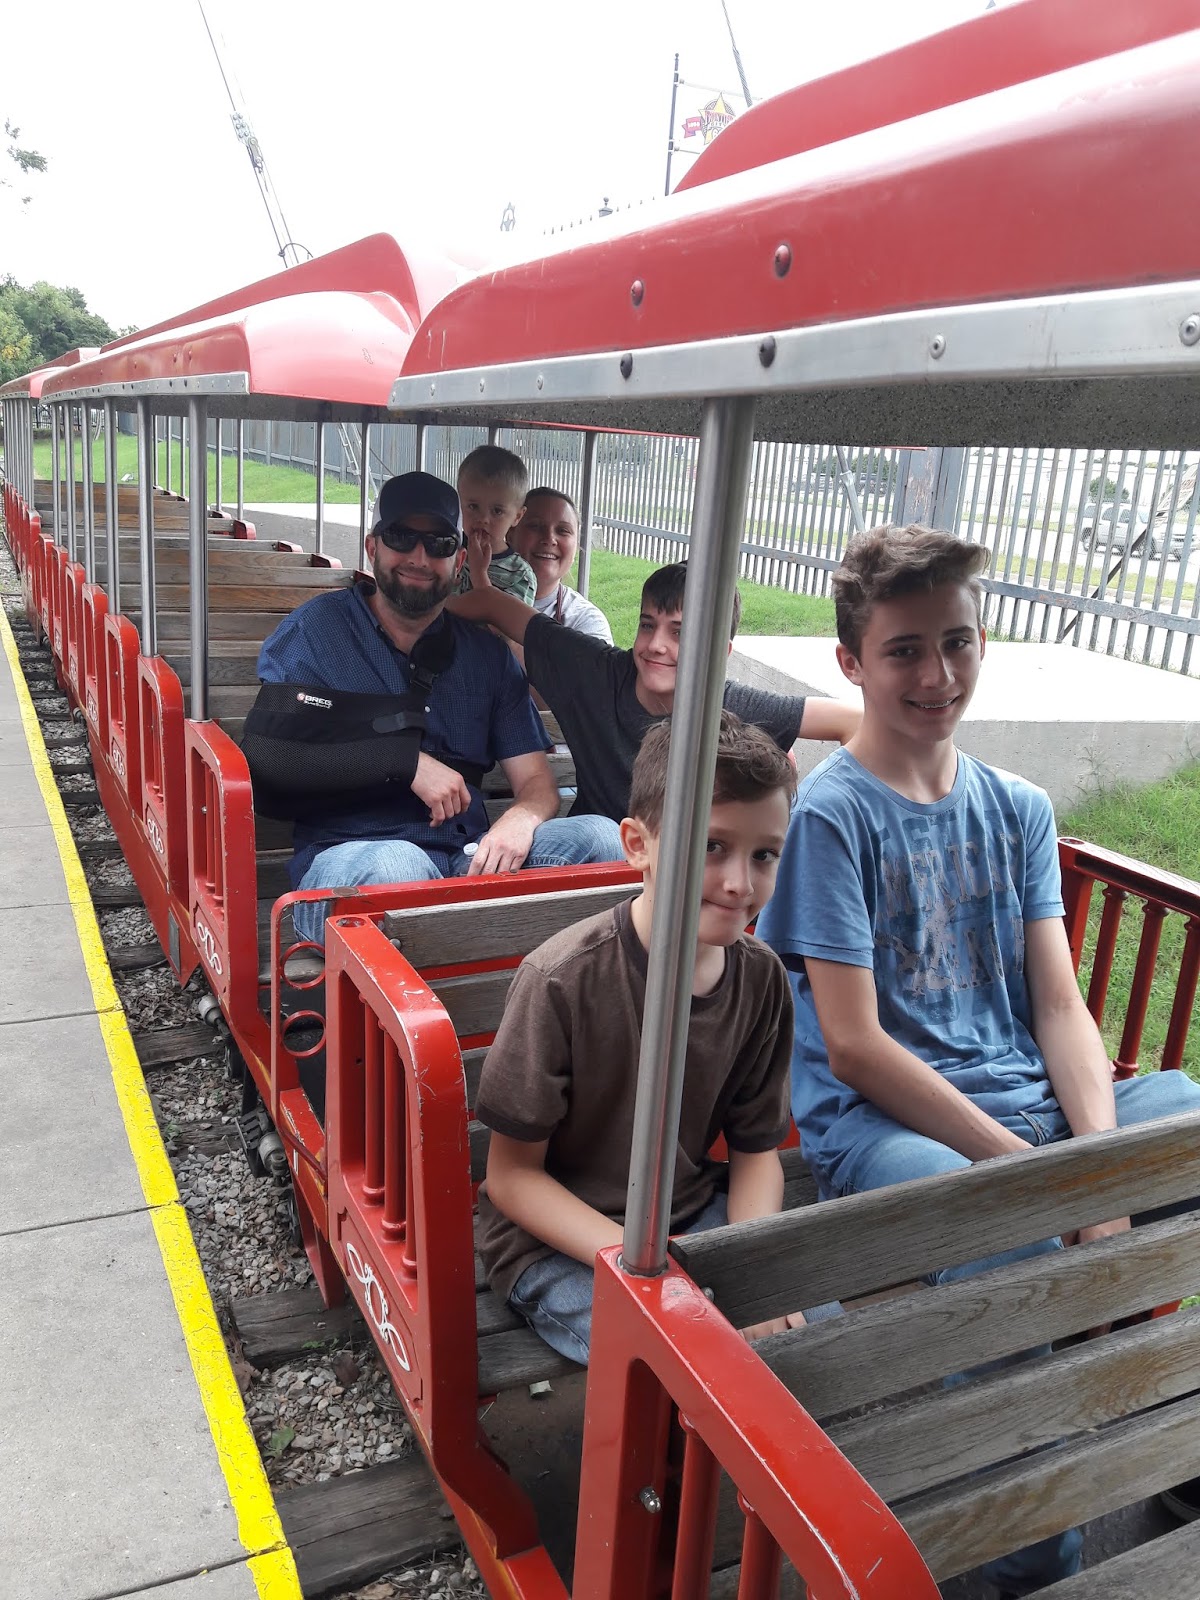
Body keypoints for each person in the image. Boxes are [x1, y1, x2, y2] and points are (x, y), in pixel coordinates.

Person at [755, 523, 1200, 1595]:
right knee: (1000, 1231)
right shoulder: (833, 818)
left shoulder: (1018, 806)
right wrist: (1037, 1180)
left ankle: (1179, 1444)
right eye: (904, 650)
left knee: (1186, 1115)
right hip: (888, 1133)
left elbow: (1059, 1005)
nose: (937, 675)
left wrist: (1092, 1165)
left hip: (1029, 1115)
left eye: (956, 642)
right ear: (851, 662)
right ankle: (1014, 1556)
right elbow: (855, 1047)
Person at [475, 711, 808, 1365]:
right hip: (555, 1246)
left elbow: (756, 1154)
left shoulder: (761, 979)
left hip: (689, 1215)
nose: (740, 882)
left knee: (810, 1338)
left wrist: (754, 1268)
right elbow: (512, 1178)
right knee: (698, 1360)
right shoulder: (561, 980)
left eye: (764, 854)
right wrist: (651, 1270)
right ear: (637, 844)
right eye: (712, 846)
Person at [253, 471, 623, 944]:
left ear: (459, 559)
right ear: (372, 547)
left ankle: (485, 948)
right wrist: (401, 762)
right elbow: (270, 758)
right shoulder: (317, 632)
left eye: (439, 544)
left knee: (602, 837)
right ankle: (478, 947)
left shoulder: (485, 657)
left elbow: (536, 783)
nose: (419, 558)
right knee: (396, 868)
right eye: (401, 538)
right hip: (354, 857)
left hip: (468, 858)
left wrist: (521, 819)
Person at [447, 559, 860, 823]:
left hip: (685, 890)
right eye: (648, 625)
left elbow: (854, 722)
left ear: (720, 653)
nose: (656, 645)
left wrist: (812, 821)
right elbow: (494, 605)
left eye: (680, 632)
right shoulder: (598, 672)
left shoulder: (733, 705)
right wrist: (416, 616)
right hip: (595, 871)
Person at [507, 486, 613, 644]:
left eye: (563, 530)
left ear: (576, 546)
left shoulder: (585, 622)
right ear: (510, 534)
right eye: (535, 526)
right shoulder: (473, 590)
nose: (549, 538)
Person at [456, 444, 536, 603]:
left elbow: (505, 619)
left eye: (497, 511)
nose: (483, 519)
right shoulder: (448, 551)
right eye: (473, 506)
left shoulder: (520, 575)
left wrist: (479, 575)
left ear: (517, 517)